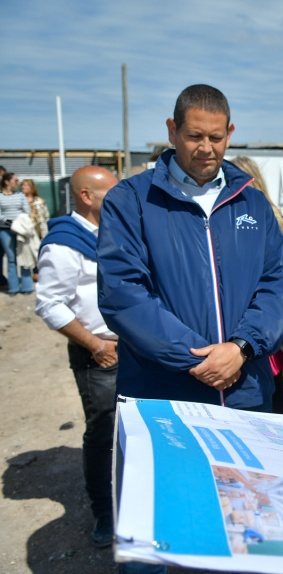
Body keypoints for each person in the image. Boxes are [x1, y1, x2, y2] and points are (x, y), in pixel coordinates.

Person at [97, 84, 283, 413]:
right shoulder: (130, 200)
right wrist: (201, 358)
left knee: (243, 467)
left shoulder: (253, 202)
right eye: (194, 136)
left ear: (229, 133)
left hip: (245, 388)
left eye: (215, 137)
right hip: (164, 392)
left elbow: (276, 284)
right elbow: (122, 293)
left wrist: (241, 348)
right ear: (172, 130)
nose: (206, 148)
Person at [34, 166, 120, 549]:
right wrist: (96, 345)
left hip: (134, 349)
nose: (119, 201)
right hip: (99, 354)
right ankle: (104, 511)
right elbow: (49, 304)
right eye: (110, 194)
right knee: (102, 434)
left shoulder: (112, 233)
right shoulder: (64, 242)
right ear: (86, 196)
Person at [231, 155, 283, 414]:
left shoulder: (256, 216)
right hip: (267, 320)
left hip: (256, 316)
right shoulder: (267, 213)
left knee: (264, 382)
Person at [0, 172, 34, 294]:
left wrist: (19, 221)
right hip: (5, 230)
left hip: (20, 230)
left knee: (24, 256)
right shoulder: (0, 196)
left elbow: (27, 210)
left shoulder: (20, 196)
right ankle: (13, 287)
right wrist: (8, 221)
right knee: (11, 258)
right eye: (15, 180)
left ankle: (27, 286)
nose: (17, 183)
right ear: (6, 182)